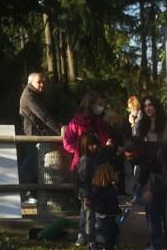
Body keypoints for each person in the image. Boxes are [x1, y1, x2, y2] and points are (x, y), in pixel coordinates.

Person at [125, 136, 167, 250]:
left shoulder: (162, 153)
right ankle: (155, 247)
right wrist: (139, 184)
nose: (129, 160)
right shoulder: (143, 154)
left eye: (130, 157)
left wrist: (152, 192)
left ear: (138, 152)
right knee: (151, 209)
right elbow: (145, 168)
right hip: (160, 177)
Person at [18, 71, 62, 204]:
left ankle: (29, 192)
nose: (42, 84)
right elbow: (44, 116)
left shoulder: (34, 95)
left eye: (43, 82)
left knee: (33, 163)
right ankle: (27, 193)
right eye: (39, 82)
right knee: (31, 164)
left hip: (35, 134)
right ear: (31, 82)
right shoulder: (30, 96)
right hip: (32, 136)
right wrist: (60, 131)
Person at [63, 91, 111, 172]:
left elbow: (103, 139)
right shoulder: (76, 123)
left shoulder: (99, 122)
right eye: (99, 105)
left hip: (100, 163)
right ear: (90, 105)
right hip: (83, 164)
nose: (101, 108)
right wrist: (83, 149)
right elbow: (67, 143)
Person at [90, 163, 123, 250]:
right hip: (108, 216)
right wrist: (118, 211)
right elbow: (112, 205)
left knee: (105, 234)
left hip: (99, 215)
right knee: (111, 236)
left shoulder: (96, 188)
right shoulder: (110, 189)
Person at [75, 133, 101, 250]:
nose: (94, 147)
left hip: (89, 194)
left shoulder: (91, 159)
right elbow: (83, 180)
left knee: (84, 215)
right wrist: (86, 196)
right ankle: (91, 242)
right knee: (89, 218)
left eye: (95, 144)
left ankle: (81, 237)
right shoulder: (85, 160)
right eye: (91, 145)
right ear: (85, 146)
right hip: (87, 194)